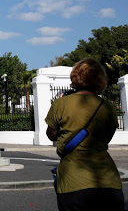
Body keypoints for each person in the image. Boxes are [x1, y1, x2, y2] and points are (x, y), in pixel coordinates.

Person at [46, 58, 124, 211]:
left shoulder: (61, 104)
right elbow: (106, 136)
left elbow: (51, 135)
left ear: (75, 77)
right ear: (100, 79)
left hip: (73, 181)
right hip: (108, 180)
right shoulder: (107, 107)